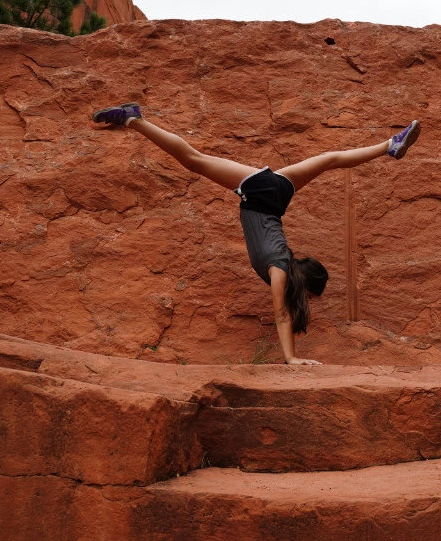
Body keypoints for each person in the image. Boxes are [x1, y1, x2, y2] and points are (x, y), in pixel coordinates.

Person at [91, 103, 420, 365]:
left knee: (329, 160)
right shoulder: (279, 271)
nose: (305, 302)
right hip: (263, 196)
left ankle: (389, 145)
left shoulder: (284, 264)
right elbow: (281, 315)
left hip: (276, 200)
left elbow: (286, 311)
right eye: (308, 296)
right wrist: (291, 358)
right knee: (195, 160)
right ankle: (134, 120)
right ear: (304, 285)